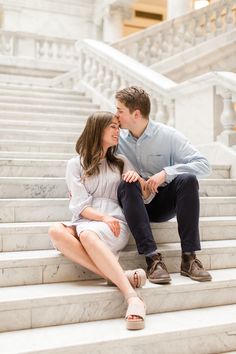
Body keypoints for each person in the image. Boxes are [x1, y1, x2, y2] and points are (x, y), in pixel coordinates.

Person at [48, 111, 146, 330]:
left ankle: (132, 298)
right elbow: (80, 206)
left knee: (87, 234)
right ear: (97, 129)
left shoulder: (121, 162)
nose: (117, 130)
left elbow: (143, 195)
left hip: (115, 222)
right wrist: (102, 216)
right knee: (55, 230)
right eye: (112, 126)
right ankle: (122, 276)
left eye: (117, 126)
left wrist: (138, 180)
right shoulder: (75, 164)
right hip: (89, 219)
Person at [115, 86, 212, 284]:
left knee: (188, 179)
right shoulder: (116, 137)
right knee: (127, 183)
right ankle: (152, 259)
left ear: (136, 114)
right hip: (133, 203)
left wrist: (166, 173)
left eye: (119, 110)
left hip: (161, 204)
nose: (115, 115)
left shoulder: (168, 135)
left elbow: (204, 165)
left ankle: (189, 259)